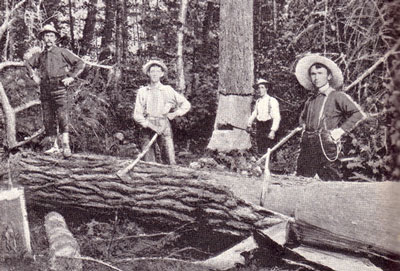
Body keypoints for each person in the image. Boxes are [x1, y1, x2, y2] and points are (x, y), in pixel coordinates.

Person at [295, 54, 366, 181]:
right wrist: (304, 127)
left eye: (320, 73)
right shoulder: (310, 100)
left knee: (331, 180)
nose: (316, 77)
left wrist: (340, 131)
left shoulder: (337, 96)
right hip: (307, 144)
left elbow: (358, 114)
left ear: (329, 76)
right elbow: (302, 118)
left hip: (326, 143)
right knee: (302, 179)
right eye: (313, 74)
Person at [26, 24, 85, 157]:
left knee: (62, 116)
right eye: (46, 35)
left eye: (51, 36)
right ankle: (54, 146)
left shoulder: (62, 52)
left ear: (56, 38)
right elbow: (28, 64)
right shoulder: (40, 55)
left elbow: (80, 63)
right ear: (42, 38)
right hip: (45, 89)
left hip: (60, 88)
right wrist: (33, 75)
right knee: (48, 117)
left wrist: (71, 77)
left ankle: (66, 146)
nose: (49, 38)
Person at [133, 59, 191, 165]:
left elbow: (186, 105)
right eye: (152, 71)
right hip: (147, 128)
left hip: (164, 126)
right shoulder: (143, 91)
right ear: (148, 74)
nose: (155, 74)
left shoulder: (168, 90)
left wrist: (174, 114)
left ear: (162, 74)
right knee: (149, 162)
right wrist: (150, 125)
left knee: (169, 160)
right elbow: (137, 115)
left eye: (157, 71)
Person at [247, 79, 281, 155]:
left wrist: (273, 130)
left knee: (270, 149)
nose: (260, 90)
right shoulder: (258, 101)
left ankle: (270, 165)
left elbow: (276, 117)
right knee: (260, 147)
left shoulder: (272, 100)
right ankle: (261, 165)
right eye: (258, 88)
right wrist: (249, 124)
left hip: (268, 126)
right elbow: (255, 113)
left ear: (266, 88)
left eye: (262, 87)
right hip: (260, 126)